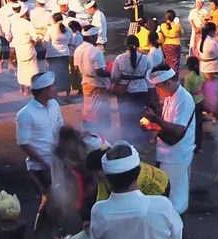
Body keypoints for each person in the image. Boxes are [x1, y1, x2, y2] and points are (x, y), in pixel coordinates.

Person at [15, 71, 63, 238]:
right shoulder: (25, 114)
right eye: (52, 87)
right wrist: (43, 162)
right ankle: (40, 235)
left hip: (56, 161)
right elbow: (23, 143)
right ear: (44, 91)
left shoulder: (54, 105)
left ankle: (54, 232)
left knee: (58, 197)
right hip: (39, 166)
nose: (54, 89)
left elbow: (60, 127)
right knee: (49, 197)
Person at [143, 65, 195, 217]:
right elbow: (167, 123)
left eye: (158, 86)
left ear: (168, 83)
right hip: (170, 152)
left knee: (174, 194)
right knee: (175, 190)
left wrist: (155, 119)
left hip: (177, 154)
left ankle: (175, 223)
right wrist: (152, 125)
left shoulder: (184, 99)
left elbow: (178, 130)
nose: (157, 90)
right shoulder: (170, 96)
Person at [85, 146, 169, 203]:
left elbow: (128, 203)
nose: (94, 177)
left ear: (104, 169)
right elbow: (102, 199)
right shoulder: (108, 175)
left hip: (159, 186)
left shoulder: (131, 178)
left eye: (95, 173)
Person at [111, 35, 151, 145]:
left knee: (125, 118)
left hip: (124, 92)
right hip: (142, 91)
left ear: (126, 45)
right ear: (138, 45)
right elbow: (149, 77)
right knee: (141, 116)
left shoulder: (119, 58)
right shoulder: (145, 59)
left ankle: (127, 142)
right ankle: (141, 141)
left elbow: (114, 76)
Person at [73, 25, 111, 133]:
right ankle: (99, 133)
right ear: (91, 37)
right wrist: (113, 74)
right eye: (96, 37)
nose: (97, 39)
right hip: (97, 84)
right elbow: (99, 72)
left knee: (88, 108)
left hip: (85, 82)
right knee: (99, 111)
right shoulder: (96, 51)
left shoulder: (78, 49)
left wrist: (84, 74)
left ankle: (90, 132)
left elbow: (75, 68)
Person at [43, 12, 73, 103]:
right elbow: (72, 42)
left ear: (53, 20)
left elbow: (45, 44)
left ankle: (55, 96)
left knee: (53, 75)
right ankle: (68, 96)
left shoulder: (50, 29)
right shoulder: (68, 29)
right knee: (65, 74)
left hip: (52, 55)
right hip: (65, 54)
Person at [197, 22, 218, 121]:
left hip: (203, 68)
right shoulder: (212, 43)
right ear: (212, 31)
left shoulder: (200, 41)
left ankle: (205, 112)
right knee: (216, 92)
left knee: (205, 92)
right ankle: (214, 114)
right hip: (213, 69)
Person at [183, 56, 204, 154]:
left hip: (193, 102)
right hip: (201, 100)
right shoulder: (201, 75)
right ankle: (199, 146)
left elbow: (187, 92)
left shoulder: (188, 78)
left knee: (192, 125)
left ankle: (191, 145)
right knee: (199, 125)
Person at [159, 9, 182, 74]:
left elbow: (163, 34)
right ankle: (174, 77)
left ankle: (168, 76)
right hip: (176, 45)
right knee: (175, 63)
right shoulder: (177, 25)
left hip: (166, 44)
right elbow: (182, 33)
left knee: (168, 62)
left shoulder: (163, 25)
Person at [146, 31, 163, 103]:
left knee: (152, 103)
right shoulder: (159, 50)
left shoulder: (151, 54)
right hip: (158, 79)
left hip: (151, 83)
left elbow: (150, 70)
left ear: (148, 40)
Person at [67, 19, 82, 95]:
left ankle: (79, 88)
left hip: (75, 56)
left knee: (76, 73)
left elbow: (77, 47)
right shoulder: (75, 35)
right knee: (74, 73)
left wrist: (70, 45)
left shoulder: (77, 36)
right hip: (73, 55)